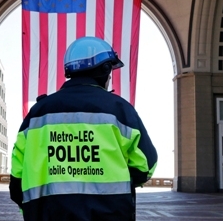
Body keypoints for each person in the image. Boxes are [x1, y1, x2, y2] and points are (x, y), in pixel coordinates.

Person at [10, 36, 157, 221]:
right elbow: (146, 166)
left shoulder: (38, 113)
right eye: (110, 73)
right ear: (105, 70)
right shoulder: (120, 110)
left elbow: (17, 177)